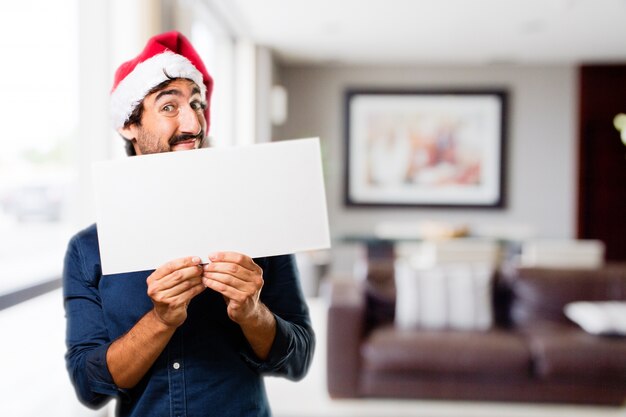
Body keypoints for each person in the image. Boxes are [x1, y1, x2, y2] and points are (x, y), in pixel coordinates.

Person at [63, 31, 315, 417]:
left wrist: (253, 313)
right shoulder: (87, 250)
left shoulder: (259, 222)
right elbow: (89, 385)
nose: (193, 123)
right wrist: (161, 320)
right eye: (169, 107)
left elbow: (298, 359)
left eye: (197, 105)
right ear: (129, 124)